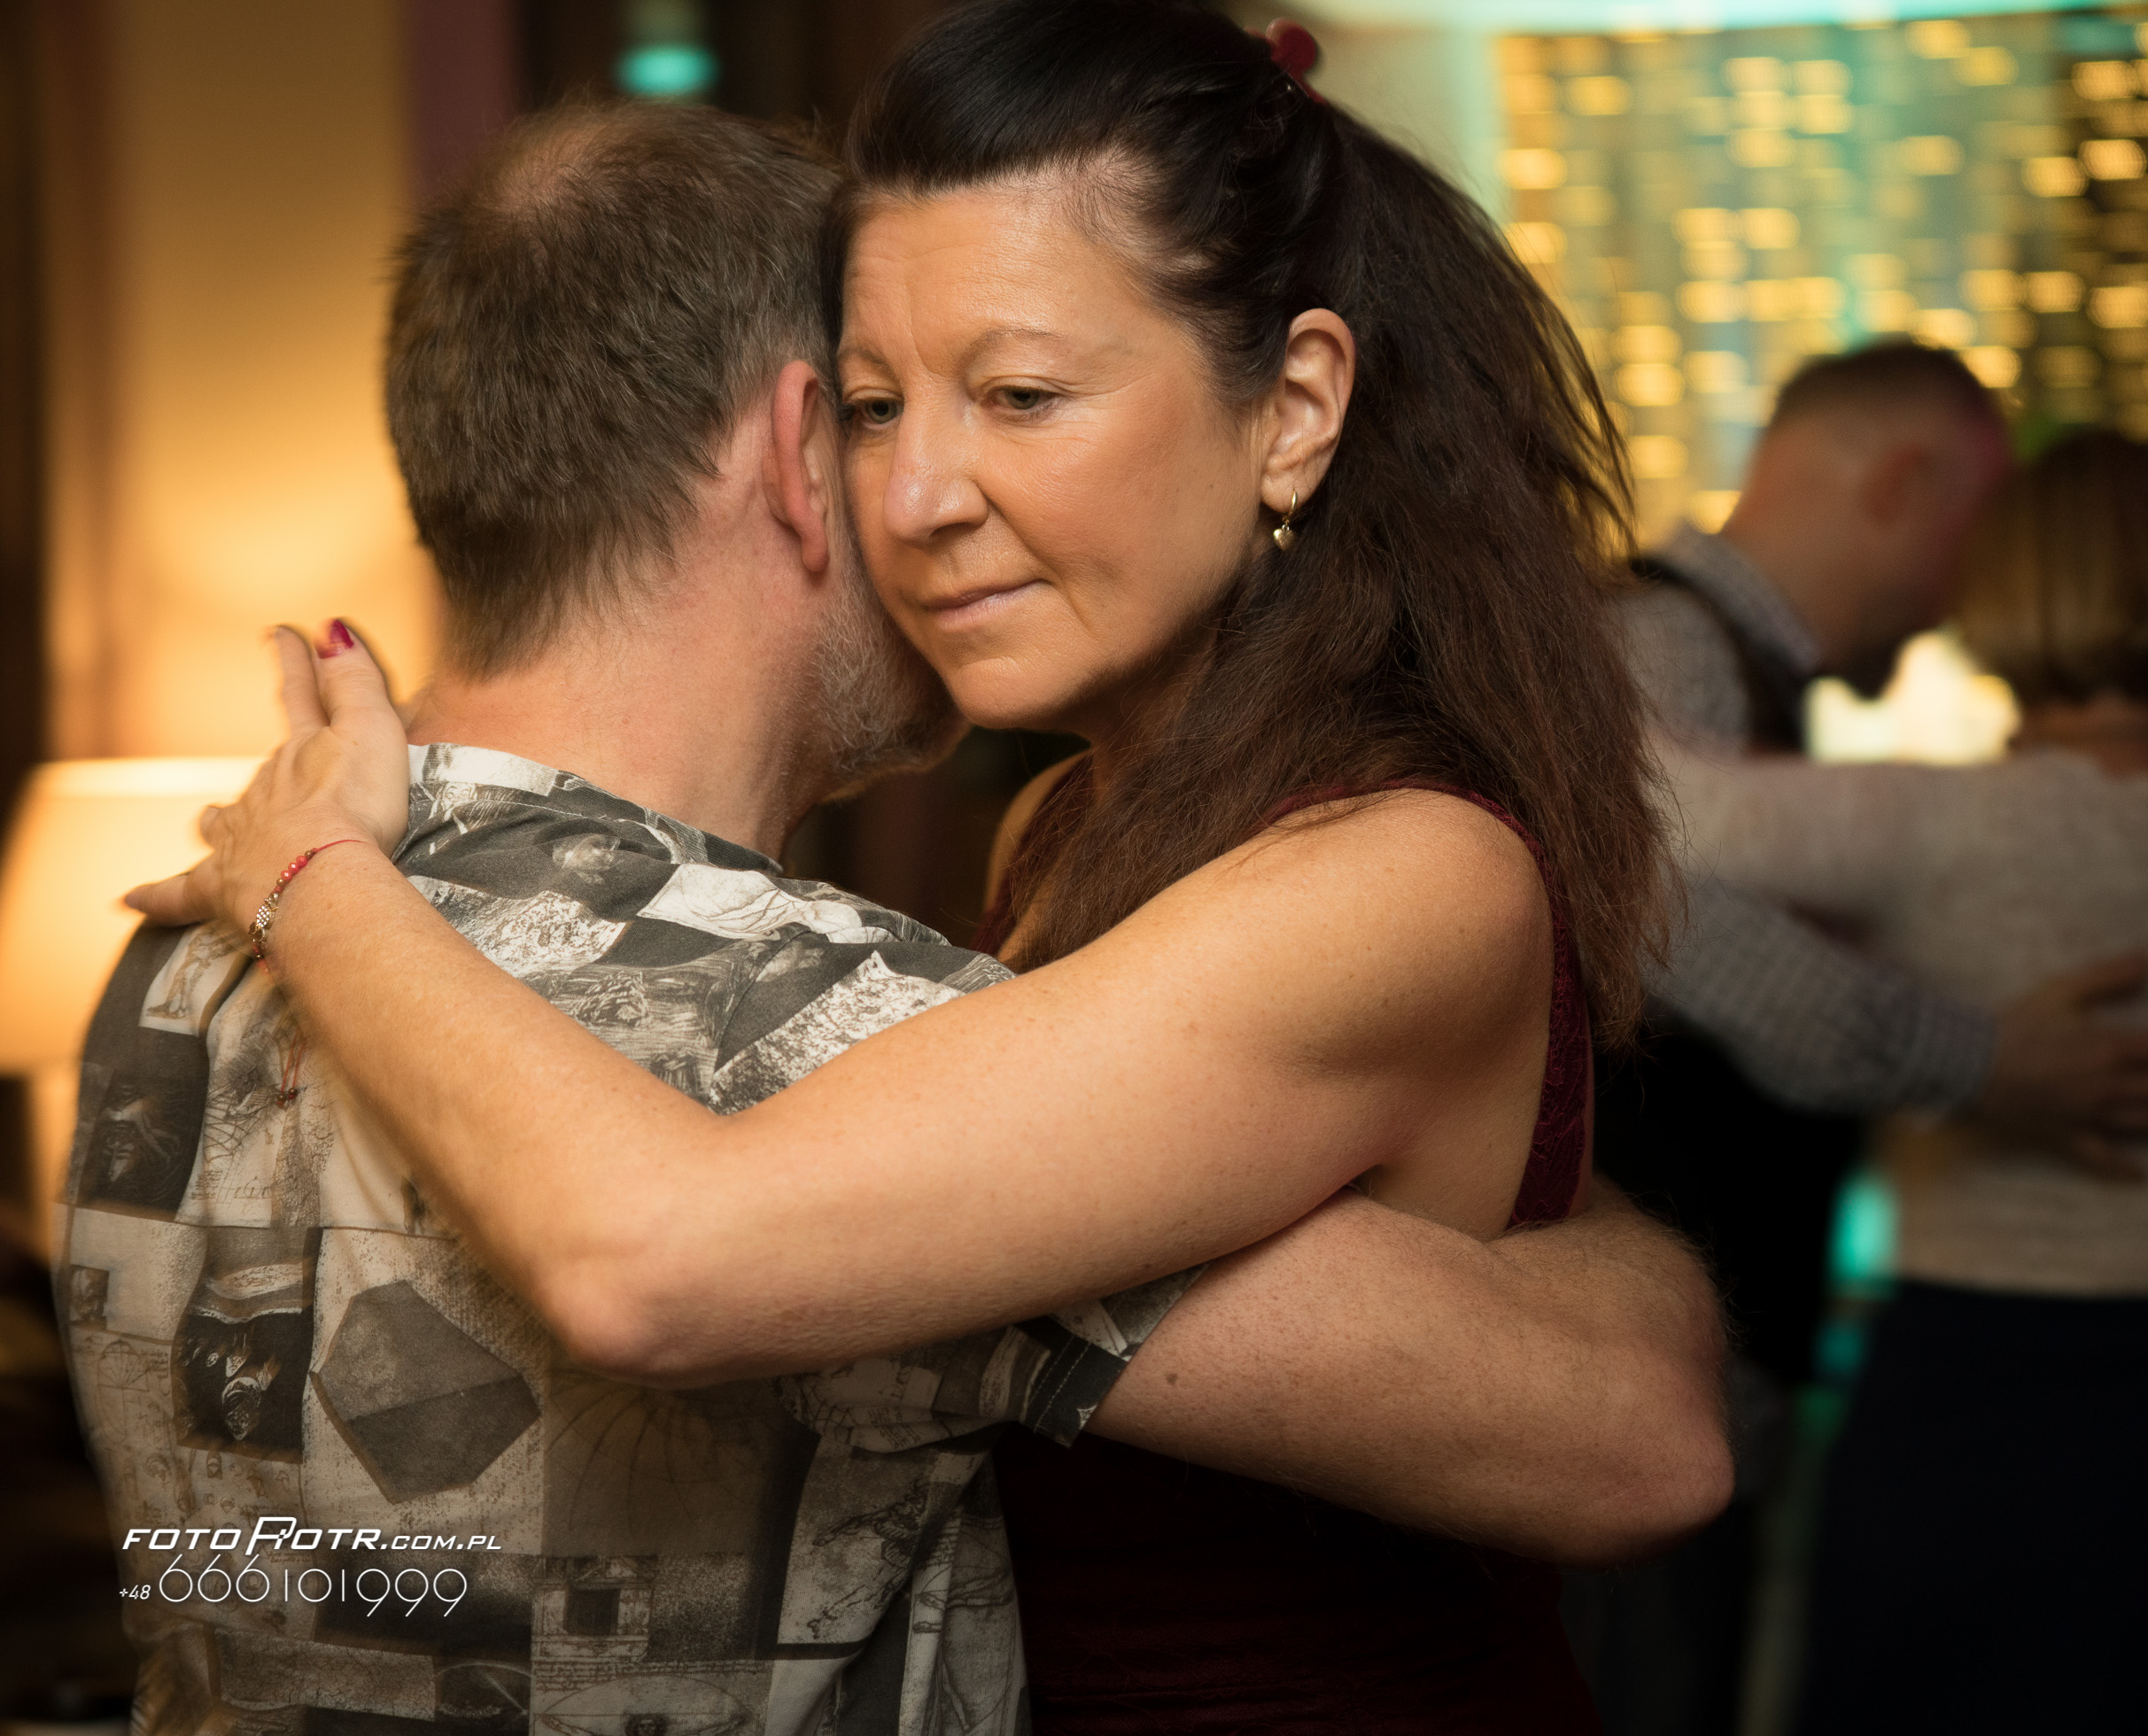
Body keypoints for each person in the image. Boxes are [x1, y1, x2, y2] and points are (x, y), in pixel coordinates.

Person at [107, 26, 1730, 1734]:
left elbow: (666, 1259)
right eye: (877, 410)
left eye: (1020, 396)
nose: (918, 496)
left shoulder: (1395, 867)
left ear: (1295, 410)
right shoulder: (1062, 826)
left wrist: (315, 869)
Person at [1571, 345, 2148, 1736]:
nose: (1962, 599)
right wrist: (1971, 1058)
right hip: (1627, 1390)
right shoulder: (1665, 642)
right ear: (1904, 486)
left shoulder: (1740, 678)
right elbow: (1651, 900)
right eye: (1973, 536)